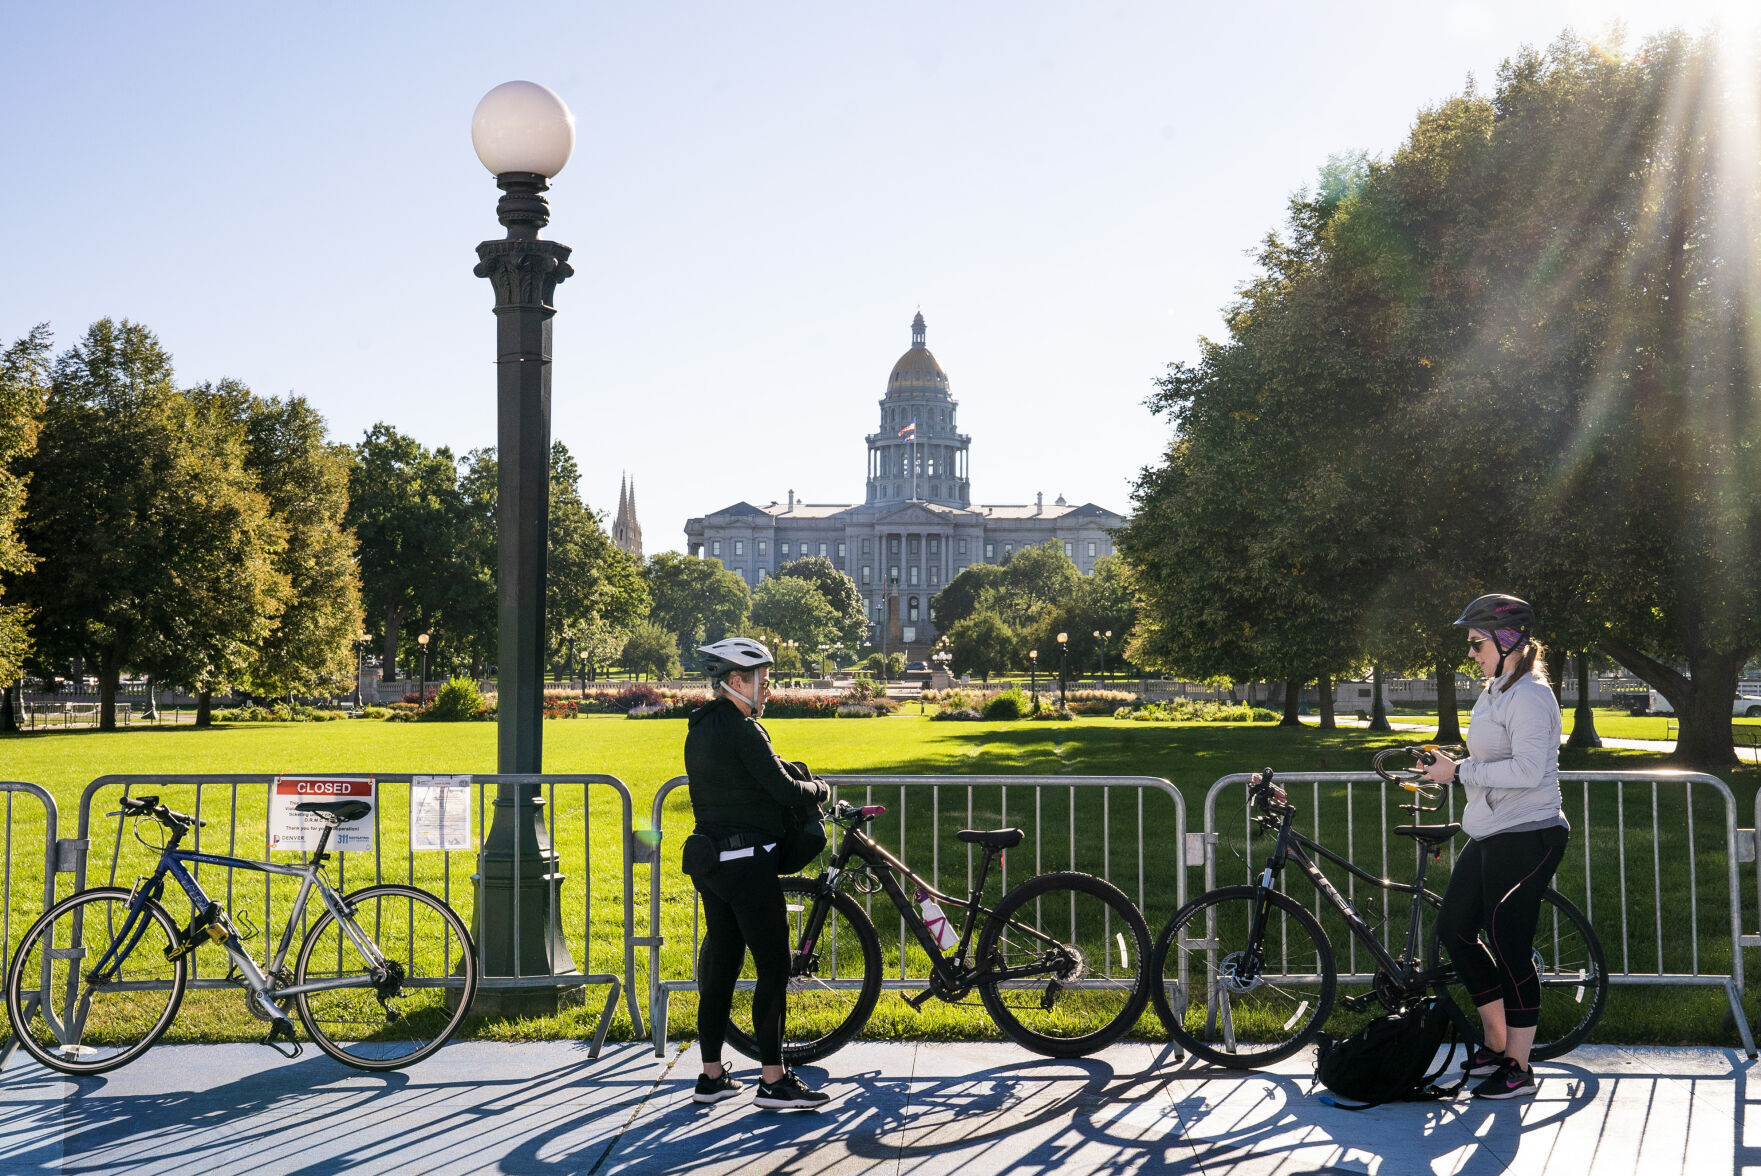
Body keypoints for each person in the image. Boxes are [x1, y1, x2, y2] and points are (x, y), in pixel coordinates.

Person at [1420, 594, 1567, 1100]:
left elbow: (1528, 770)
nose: (1470, 652)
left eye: (1476, 642)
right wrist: (1450, 764)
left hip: (1530, 834)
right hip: (1489, 831)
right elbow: (1495, 754)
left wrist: (1459, 771)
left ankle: (1520, 1070)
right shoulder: (1496, 689)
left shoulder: (1530, 695)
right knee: (1456, 929)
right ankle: (1497, 1041)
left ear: (1509, 641)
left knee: (1509, 947)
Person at [683, 636, 833, 1110]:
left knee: (723, 966)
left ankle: (711, 1077)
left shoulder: (700, 726)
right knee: (772, 966)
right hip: (749, 864)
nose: (768, 691)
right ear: (735, 682)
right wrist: (822, 790)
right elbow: (786, 791)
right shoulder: (744, 730)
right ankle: (773, 1080)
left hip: (712, 864)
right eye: (763, 682)